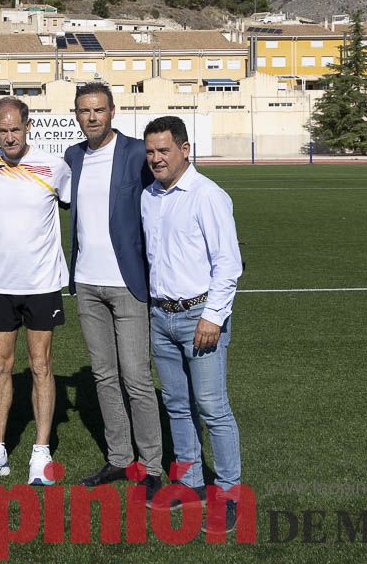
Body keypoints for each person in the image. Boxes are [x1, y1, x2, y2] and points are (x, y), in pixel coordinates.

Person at [141, 116, 243, 531]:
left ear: (185, 149)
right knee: (177, 406)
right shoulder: (149, 196)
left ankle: (229, 493)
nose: (156, 159)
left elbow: (228, 265)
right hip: (160, 315)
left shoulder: (208, 196)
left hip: (199, 317)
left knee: (213, 408)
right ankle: (190, 484)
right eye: (150, 152)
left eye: (164, 150)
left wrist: (212, 318)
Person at [63, 81, 163, 500]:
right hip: (87, 283)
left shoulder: (137, 153)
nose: (92, 118)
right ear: (77, 114)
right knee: (104, 377)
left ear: (113, 111)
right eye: (84, 111)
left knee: (137, 379)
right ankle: (120, 458)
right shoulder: (72, 157)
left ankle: (153, 465)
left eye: (99, 110)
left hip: (128, 285)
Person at [0, 97, 72, 486]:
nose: (9, 136)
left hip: (43, 283)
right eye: (2, 130)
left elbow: (69, 206)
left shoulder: (54, 167)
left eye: (15, 128)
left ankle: (41, 451)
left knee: (41, 365)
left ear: (28, 126)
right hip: (0, 283)